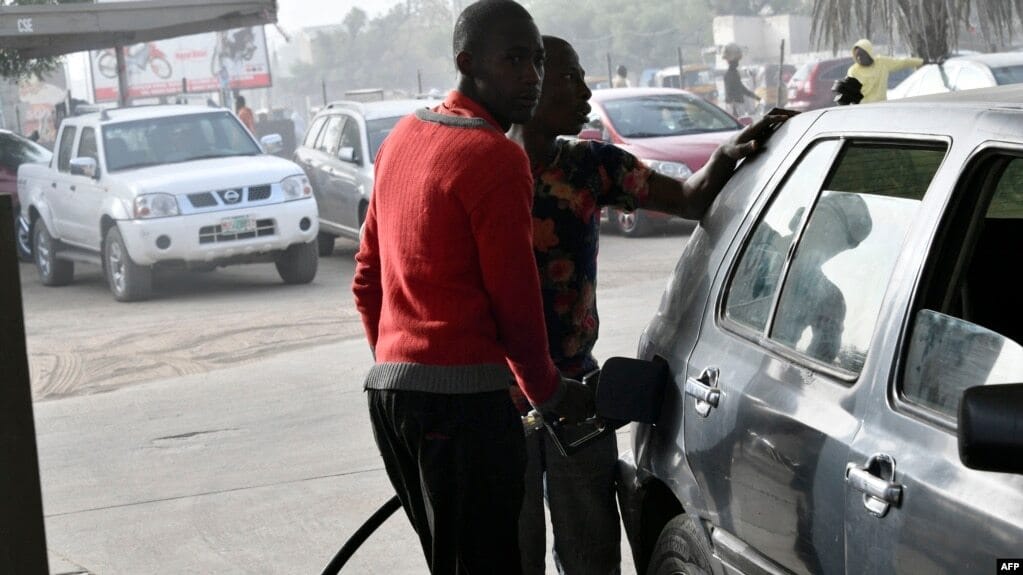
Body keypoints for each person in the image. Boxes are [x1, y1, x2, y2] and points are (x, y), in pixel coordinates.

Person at [507, 36, 794, 575]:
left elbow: (685, 199)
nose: (587, 90)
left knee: (591, 556)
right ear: (531, 82)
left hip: (576, 395)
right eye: (571, 78)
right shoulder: (484, 168)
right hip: (497, 403)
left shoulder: (590, 166)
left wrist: (727, 154)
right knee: (507, 558)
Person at [351, 2, 594, 573]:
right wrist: (550, 392)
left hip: (392, 399)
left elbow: (366, 281)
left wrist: (403, 368)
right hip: (462, 411)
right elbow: (516, 304)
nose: (532, 76)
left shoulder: (403, 137)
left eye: (537, 60)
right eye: (513, 60)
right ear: (467, 63)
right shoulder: (496, 158)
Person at [846, 38, 923, 103]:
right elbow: (848, 93)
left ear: (869, 53)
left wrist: (921, 62)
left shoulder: (882, 63)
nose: (859, 58)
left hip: (881, 108)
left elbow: (902, 62)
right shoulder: (853, 71)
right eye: (857, 56)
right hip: (862, 110)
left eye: (861, 55)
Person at [723, 42, 759, 117]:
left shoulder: (734, 73)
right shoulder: (730, 74)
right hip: (735, 106)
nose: (738, 63)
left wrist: (755, 97)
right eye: (736, 61)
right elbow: (730, 92)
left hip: (737, 104)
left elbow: (741, 88)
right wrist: (734, 109)